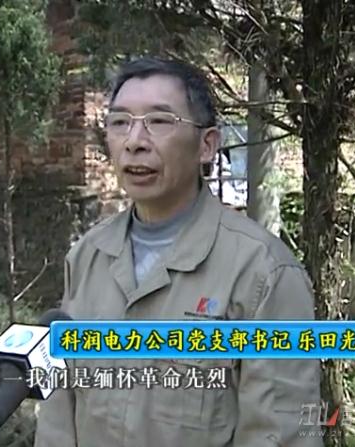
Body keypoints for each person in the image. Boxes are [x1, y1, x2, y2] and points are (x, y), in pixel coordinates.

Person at [34, 57, 322, 447]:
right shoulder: (87, 256)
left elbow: (280, 435)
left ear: (207, 145)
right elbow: (57, 416)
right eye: (120, 122)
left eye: (159, 121)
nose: (134, 141)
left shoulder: (264, 273)